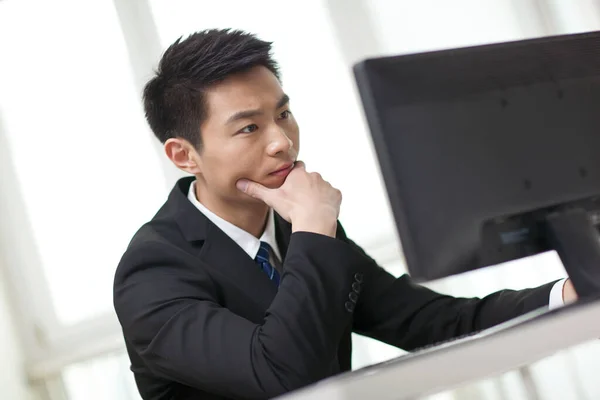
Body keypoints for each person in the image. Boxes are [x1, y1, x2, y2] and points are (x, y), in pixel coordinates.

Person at [113, 29, 578, 400]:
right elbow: (283, 377)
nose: (282, 141)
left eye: (284, 114)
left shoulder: (300, 228)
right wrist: (315, 229)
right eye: (249, 127)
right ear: (184, 155)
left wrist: (569, 292)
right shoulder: (153, 271)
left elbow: (434, 322)